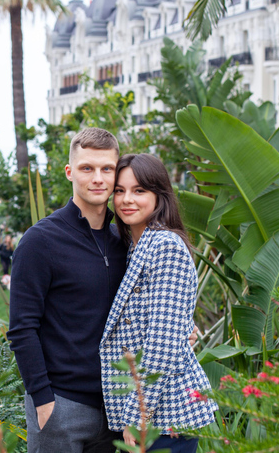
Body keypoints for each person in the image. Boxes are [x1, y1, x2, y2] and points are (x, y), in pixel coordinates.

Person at [9, 128, 197, 452]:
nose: (97, 178)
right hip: (62, 406)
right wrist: (43, 401)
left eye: (106, 169)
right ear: (70, 172)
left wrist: (184, 330)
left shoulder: (126, 244)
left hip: (119, 410)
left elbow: (154, 311)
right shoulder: (40, 241)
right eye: (87, 168)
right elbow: (22, 328)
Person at [100, 154, 217, 452]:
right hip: (156, 413)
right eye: (120, 190)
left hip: (165, 416)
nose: (127, 199)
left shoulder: (165, 247)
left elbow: (161, 345)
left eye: (139, 191)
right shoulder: (136, 246)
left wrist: (138, 416)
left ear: (158, 196)